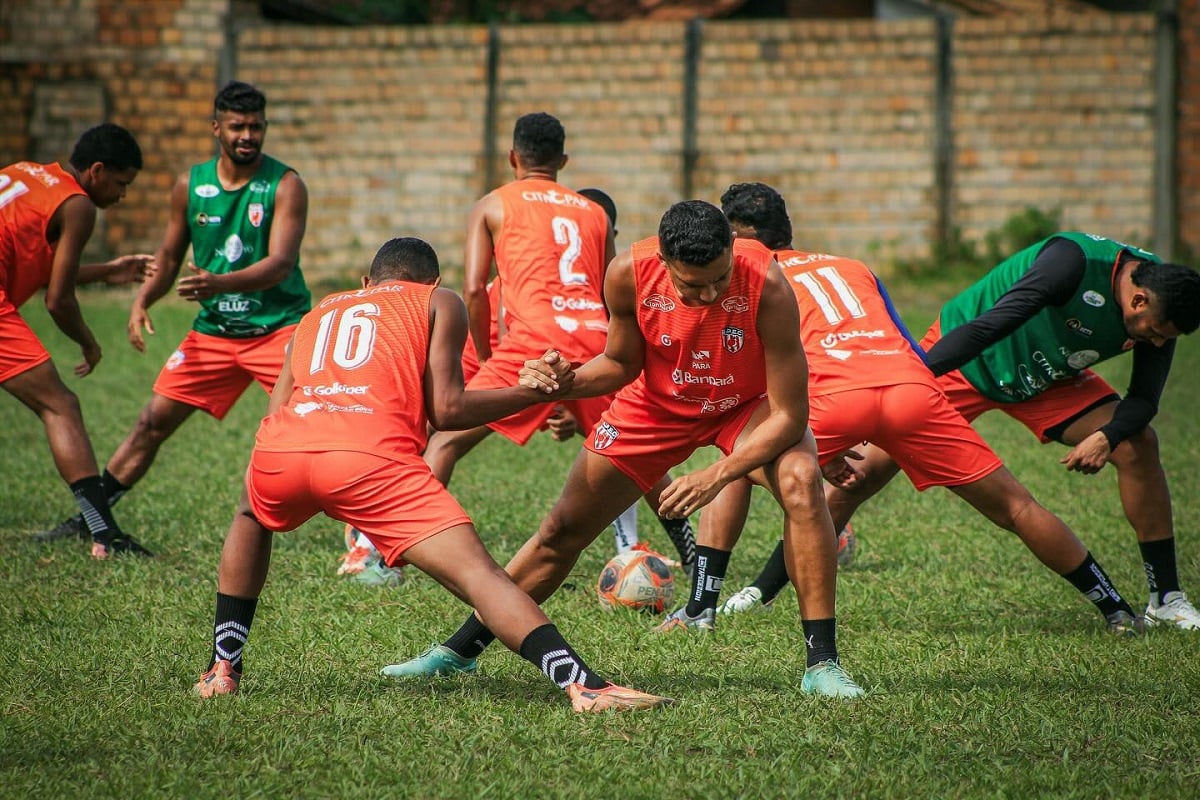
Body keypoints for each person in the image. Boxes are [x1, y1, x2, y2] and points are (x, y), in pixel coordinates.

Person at [384, 200, 864, 699]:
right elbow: (617, 363)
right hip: (655, 407)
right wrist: (565, 383)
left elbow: (789, 414)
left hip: (742, 407)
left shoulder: (767, 282)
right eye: (691, 286)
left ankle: (822, 665)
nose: (709, 294)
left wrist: (718, 473)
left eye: (719, 280)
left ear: (731, 253)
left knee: (801, 481)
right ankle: (459, 651)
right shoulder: (628, 274)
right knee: (561, 531)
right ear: (663, 260)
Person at [193, 236, 671, 713]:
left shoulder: (317, 313)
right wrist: (532, 394)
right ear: (433, 282)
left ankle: (222, 667)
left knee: (250, 516)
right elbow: (448, 409)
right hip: (369, 460)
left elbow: (280, 408)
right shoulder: (439, 301)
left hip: (283, 452)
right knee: (480, 576)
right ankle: (582, 685)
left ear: (366, 282)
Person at [675, 183, 1143, 634]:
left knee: (735, 459)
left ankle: (701, 608)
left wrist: (808, 436)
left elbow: (758, 374)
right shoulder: (853, 266)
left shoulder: (754, 278)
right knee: (1017, 506)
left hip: (836, 399)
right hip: (912, 389)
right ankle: (1117, 609)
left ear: (735, 241)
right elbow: (903, 338)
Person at [36, 81, 312, 545]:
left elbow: (280, 263)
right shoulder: (191, 184)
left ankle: (366, 540)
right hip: (214, 333)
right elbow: (167, 257)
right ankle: (92, 522)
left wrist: (219, 282)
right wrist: (143, 298)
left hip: (278, 330)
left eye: (256, 127)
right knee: (150, 423)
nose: (248, 135)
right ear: (216, 128)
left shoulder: (285, 185)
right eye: (238, 126)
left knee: (313, 425)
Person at [420, 117, 696, 570]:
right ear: (562, 161)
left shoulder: (492, 205)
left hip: (532, 340)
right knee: (632, 451)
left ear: (513, 157)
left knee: (446, 442)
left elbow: (474, 289)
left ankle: (398, 555)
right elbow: (614, 290)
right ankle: (691, 548)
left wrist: (493, 360)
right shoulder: (594, 212)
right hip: (594, 336)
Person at [3, 123, 155, 558]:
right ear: (97, 171)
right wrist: (89, 343)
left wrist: (107, 271)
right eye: (121, 184)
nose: (122, 195)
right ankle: (103, 534)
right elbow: (58, 299)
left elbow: (36, 268)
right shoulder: (78, 205)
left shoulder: (29, 172)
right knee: (61, 405)